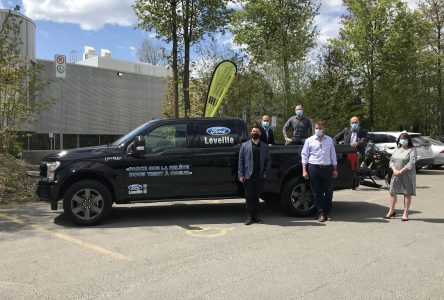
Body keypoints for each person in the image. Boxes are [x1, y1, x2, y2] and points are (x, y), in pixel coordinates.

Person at [301, 121, 338, 222]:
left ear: (324, 129)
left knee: (329, 192)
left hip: (327, 168)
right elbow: (304, 155)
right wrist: (304, 170)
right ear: (314, 128)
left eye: (320, 128)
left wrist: (335, 168)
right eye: (317, 128)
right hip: (314, 168)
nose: (318, 130)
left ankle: (327, 213)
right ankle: (321, 213)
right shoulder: (309, 140)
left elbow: (333, 155)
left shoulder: (329, 140)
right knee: (316, 192)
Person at [238, 125, 272, 225]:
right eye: (253, 131)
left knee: (256, 197)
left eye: (256, 131)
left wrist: (265, 172)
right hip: (248, 176)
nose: (254, 133)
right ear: (251, 133)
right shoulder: (244, 146)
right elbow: (241, 161)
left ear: (260, 133)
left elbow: (268, 160)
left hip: (259, 176)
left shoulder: (265, 146)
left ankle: (256, 217)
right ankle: (249, 217)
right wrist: (241, 174)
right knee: (249, 197)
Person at [385, 132, 417, 221]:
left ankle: (405, 212)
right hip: (396, 173)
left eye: (405, 139)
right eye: (401, 139)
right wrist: (394, 170)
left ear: (408, 140)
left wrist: (401, 171)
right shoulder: (397, 149)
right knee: (392, 192)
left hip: (407, 174)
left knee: (407, 193)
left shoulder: (412, 149)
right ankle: (391, 210)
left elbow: (412, 162)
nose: (403, 140)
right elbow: (391, 161)